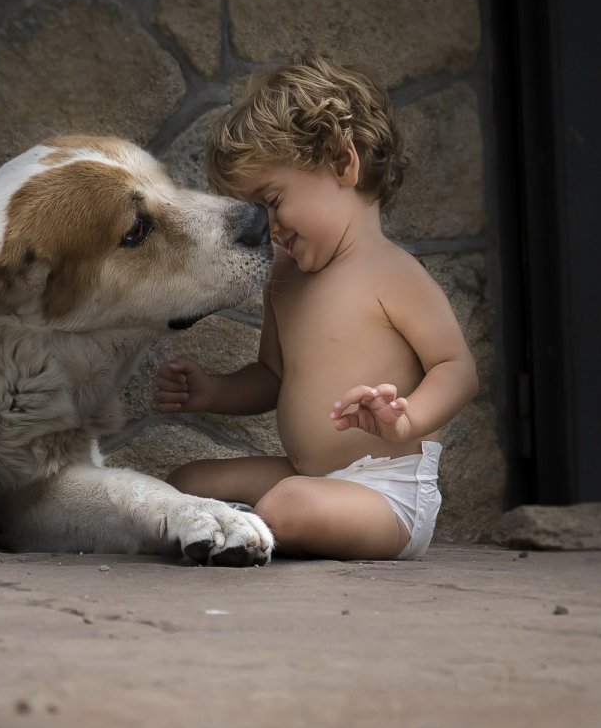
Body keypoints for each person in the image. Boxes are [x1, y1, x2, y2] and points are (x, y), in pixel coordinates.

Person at [154, 54, 478, 560]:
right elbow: (271, 375)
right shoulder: (284, 277)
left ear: (343, 162)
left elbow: (456, 369)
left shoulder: (394, 274)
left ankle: (244, 537)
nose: (269, 227)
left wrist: (408, 419)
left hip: (386, 496)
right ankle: (236, 534)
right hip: (309, 475)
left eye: (274, 201)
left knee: (288, 505)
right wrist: (213, 391)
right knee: (183, 484)